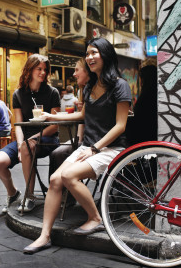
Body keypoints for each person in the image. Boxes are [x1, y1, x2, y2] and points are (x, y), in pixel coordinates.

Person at [23, 37, 131, 254]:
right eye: (88, 53)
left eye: (94, 53)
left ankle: (95, 217)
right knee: (55, 179)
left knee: (68, 176)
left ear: (106, 55)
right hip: (89, 147)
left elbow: (120, 125)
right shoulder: (90, 85)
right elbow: (83, 115)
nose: (89, 57)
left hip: (111, 149)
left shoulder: (120, 85)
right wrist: (49, 116)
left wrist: (95, 148)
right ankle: (44, 236)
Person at [0, 54, 61, 214]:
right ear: (29, 70)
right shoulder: (18, 94)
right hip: (25, 140)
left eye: (45, 69)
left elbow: (55, 126)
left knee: (26, 147)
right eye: (39, 69)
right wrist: (20, 144)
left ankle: (30, 197)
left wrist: (31, 140)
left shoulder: (52, 93)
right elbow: (18, 124)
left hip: (47, 138)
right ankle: (13, 193)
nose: (43, 72)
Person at [48, 58, 90, 206]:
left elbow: (82, 117)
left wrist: (52, 116)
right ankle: (57, 193)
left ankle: (67, 196)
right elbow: (82, 118)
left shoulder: (91, 89)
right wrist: (79, 139)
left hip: (94, 143)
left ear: (87, 71)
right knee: (56, 153)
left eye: (77, 70)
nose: (74, 73)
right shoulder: (82, 90)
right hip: (85, 140)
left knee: (59, 153)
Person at [126, 64, 158, 145]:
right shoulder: (156, 94)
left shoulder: (146, 96)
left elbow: (140, 119)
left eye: (140, 78)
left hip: (144, 138)